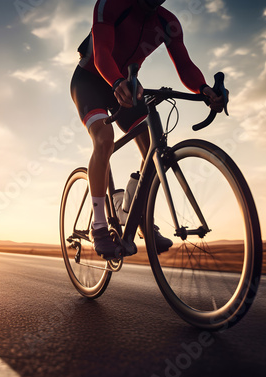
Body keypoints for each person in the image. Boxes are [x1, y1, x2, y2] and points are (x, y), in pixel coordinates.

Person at [70, 0, 226, 259]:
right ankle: (99, 225)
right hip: (91, 80)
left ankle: (135, 214)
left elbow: (185, 65)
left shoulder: (167, 22)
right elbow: (102, 54)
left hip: (128, 84)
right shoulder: (111, 5)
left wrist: (204, 89)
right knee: (104, 139)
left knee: (153, 148)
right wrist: (117, 80)